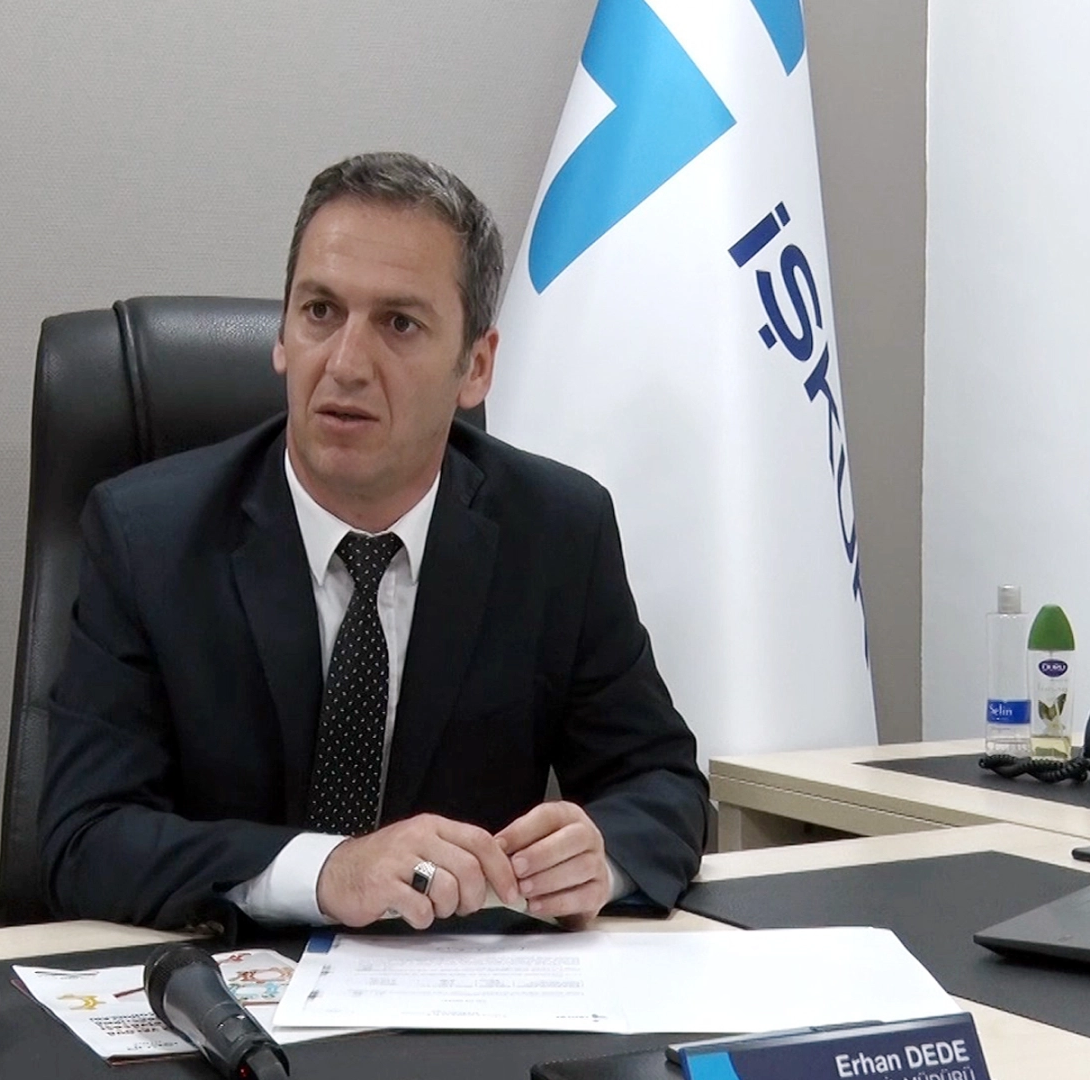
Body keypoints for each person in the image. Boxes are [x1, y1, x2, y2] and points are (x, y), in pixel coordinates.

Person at [39, 151, 708, 933]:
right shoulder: (147, 536)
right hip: (213, 978)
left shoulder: (558, 533)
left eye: (399, 324)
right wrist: (328, 871)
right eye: (320, 311)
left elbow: (662, 786)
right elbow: (84, 839)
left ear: (475, 367)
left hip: (460, 985)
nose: (347, 364)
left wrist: (598, 859)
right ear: (282, 335)